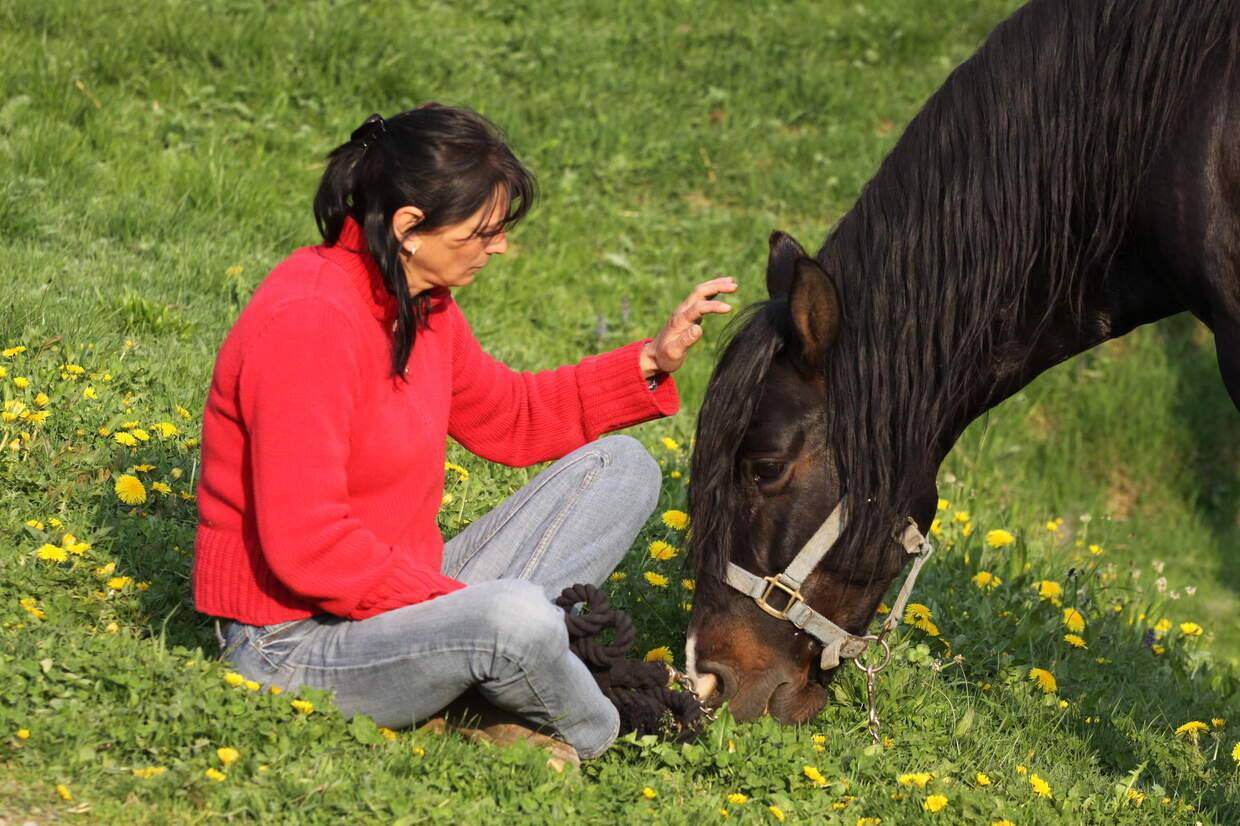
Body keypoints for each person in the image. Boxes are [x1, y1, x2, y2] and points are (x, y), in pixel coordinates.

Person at [193, 103, 736, 763]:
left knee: (623, 468)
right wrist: (472, 609)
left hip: (387, 603)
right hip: (292, 645)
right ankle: (613, 719)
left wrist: (649, 361)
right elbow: (309, 549)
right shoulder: (310, 323)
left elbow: (510, 415)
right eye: (482, 232)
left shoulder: (419, 302)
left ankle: (490, 674)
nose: (500, 246)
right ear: (409, 228)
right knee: (515, 619)